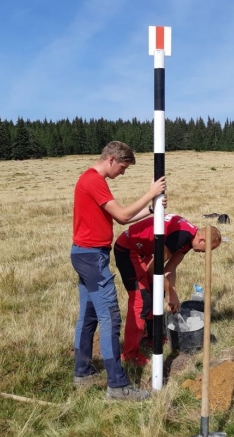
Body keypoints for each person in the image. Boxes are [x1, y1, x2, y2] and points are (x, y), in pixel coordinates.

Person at [71, 140, 165, 401]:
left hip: (85, 254)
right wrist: (151, 192)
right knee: (110, 317)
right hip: (92, 257)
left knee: (89, 315)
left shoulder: (90, 180)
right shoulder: (93, 181)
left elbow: (118, 217)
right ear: (111, 159)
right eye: (123, 167)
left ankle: (82, 372)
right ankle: (118, 386)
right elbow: (123, 216)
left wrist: (150, 210)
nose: (122, 173)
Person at [114, 214, 222, 366]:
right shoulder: (180, 237)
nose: (204, 254)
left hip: (143, 253)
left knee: (157, 291)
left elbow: (170, 268)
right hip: (128, 249)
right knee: (141, 300)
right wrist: (171, 294)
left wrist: (172, 292)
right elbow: (154, 268)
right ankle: (130, 354)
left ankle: (152, 337)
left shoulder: (188, 239)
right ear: (202, 240)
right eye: (207, 250)